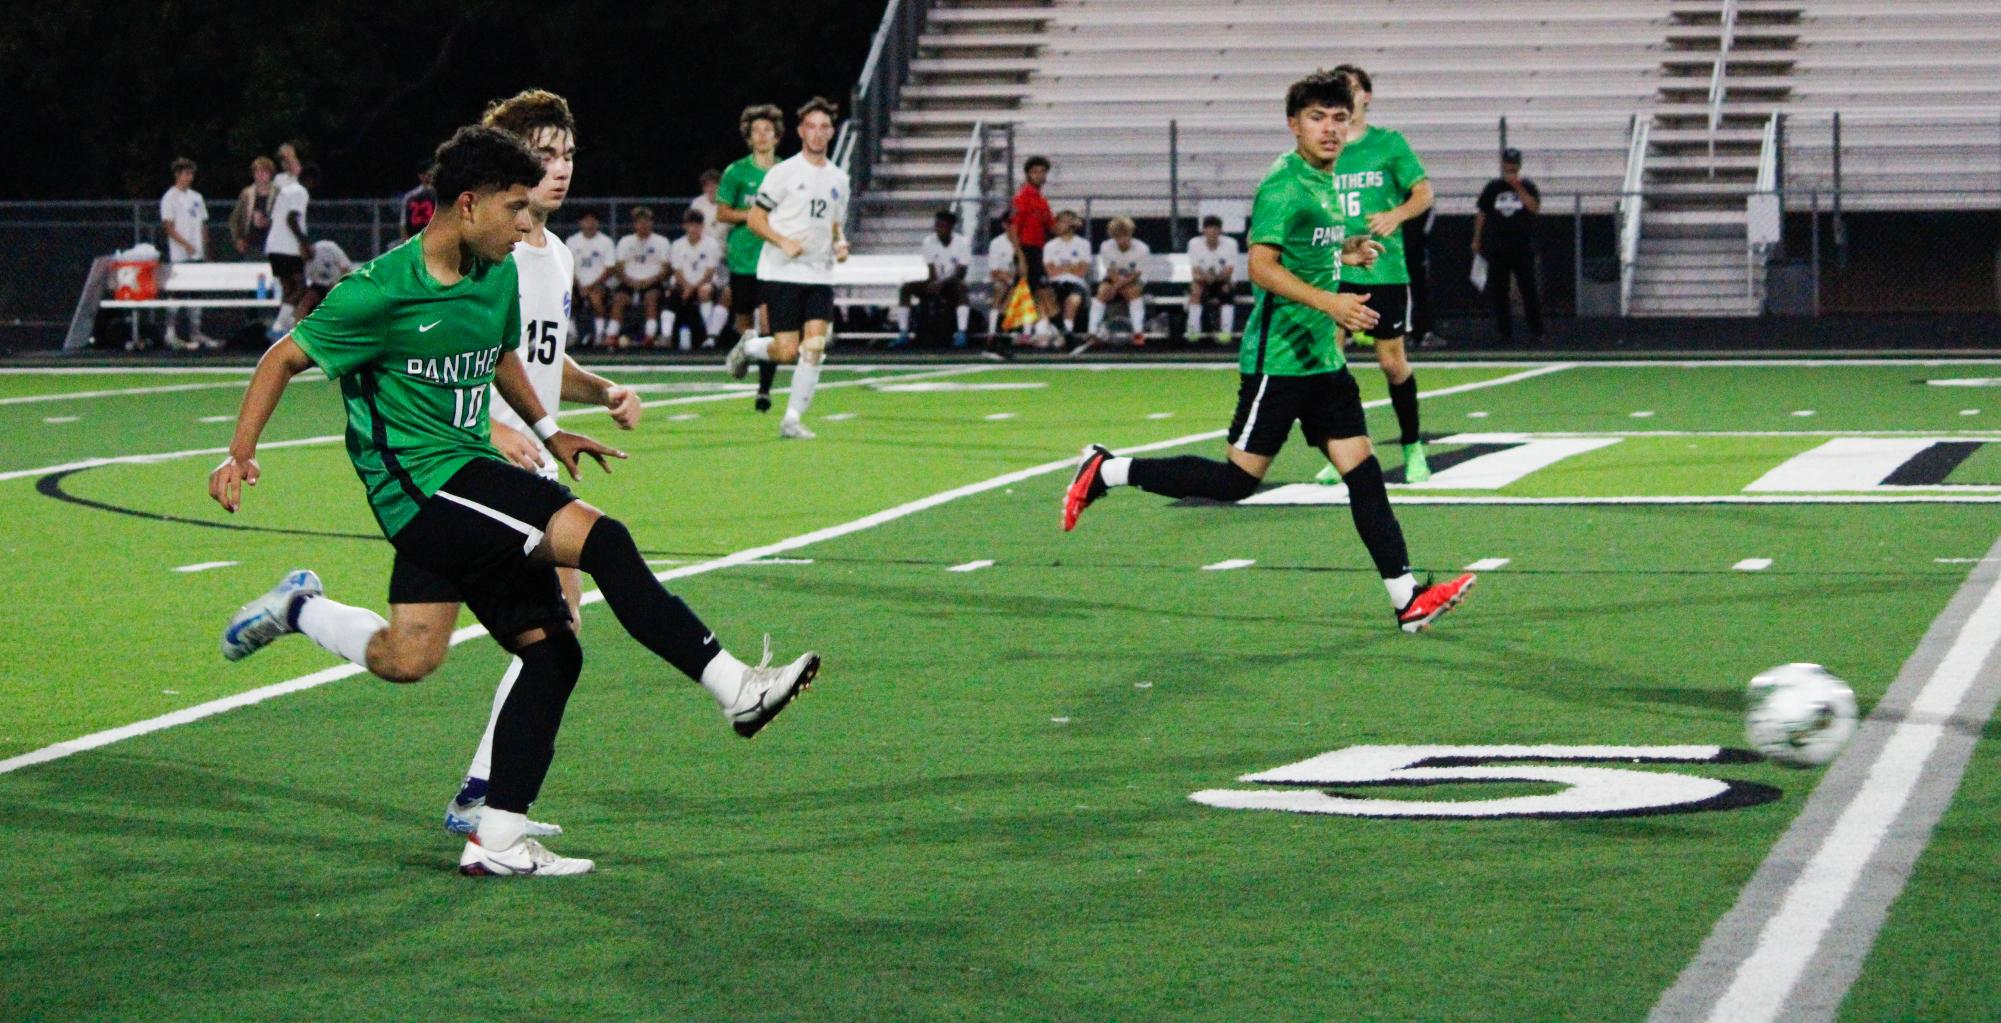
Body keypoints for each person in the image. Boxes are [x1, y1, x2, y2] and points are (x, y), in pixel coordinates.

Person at [211, 124, 820, 879]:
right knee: (605, 540)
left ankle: (484, 824)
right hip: (423, 493)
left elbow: (500, 356)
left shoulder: (495, 269)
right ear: (468, 205)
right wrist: (241, 451)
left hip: (464, 482)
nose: (530, 226)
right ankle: (734, 687)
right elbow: (285, 355)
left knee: (456, 655)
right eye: (517, 210)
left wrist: (547, 428)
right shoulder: (377, 290)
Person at [1061, 69, 1476, 635]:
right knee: (1237, 482)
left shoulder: (1327, 178)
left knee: (1364, 474)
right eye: (1316, 118)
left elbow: (1310, 245)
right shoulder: (1284, 183)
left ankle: (1407, 601)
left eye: (1338, 117)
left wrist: (1345, 253)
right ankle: (1108, 471)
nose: (1330, 129)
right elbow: (1260, 266)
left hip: (1320, 363)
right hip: (1278, 360)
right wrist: (1332, 302)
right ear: (1293, 125)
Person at [441, 89, 649, 840]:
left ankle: (481, 791)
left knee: (530, 631)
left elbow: (539, 359)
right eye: (543, 154)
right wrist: (487, 429)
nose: (559, 170)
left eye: (567, 155)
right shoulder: (481, 252)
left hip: (530, 464)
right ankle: (484, 798)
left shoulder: (555, 253)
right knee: (536, 633)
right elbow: (448, 349)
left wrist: (601, 389)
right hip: (470, 466)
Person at [1324, 63, 1436, 482]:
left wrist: (1396, 214)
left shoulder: (1389, 143)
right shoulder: (1325, 148)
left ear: (1366, 96)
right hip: (1336, 269)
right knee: (1330, 361)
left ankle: (1412, 445)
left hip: (1383, 270)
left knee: (1391, 363)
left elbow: (1424, 192)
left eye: (1350, 89)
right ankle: (1343, 452)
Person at [725, 97, 849, 440]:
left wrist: (840, 243)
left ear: (832, 132)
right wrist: (783, 241)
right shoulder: (784, 173)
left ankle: (792, 419)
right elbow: (755, 218)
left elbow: (837, 223)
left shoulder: (840, 178)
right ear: (800, 131)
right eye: (811, 126)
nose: (818, 133)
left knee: (815, 347)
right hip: (782, 272)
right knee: (785, 351)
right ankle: (749, 347)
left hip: (820, 274)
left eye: (824, 127)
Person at [715, 104, 784, 412]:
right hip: (743, 258)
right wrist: (754, 215)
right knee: (747, 328)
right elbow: (723, 212)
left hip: (774, 259)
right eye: (756, 130)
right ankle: (745, 352)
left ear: (777, 136)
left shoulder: (786, 171)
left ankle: (764, 390)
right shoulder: (736, 171)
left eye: (767, 130)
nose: (762, 136)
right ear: (748, 136)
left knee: (770, 324)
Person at [1474, 147, 1543, 345]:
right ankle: (1504, 332)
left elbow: (1534, 207)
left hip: (1522, 246)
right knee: (1500, 292)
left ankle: (1536, 331)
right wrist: (1477, 239)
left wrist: (1519, 188)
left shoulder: (1528, 186)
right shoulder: (1493, 188)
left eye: (1514, 164)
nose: (1511, 168)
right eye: (1508, 164)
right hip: (1498, 246)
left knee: (1528, 289)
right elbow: (1482, 213)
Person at [159, 157, 216, 350]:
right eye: (185, 173)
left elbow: (203, 224)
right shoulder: (170, 197)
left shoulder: (196, 197)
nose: (189, 177)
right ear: (177, 175)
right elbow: (168, 226)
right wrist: (185, 244)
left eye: (191, 174)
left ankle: (195, 331)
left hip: (197, 254)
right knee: (179, 291)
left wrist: (204, 249)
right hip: (180, 255)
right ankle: (170, 331)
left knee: (197, 291)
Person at [896, 209, 972, 347]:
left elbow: (961, 273)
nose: (938, 229)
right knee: (905, 288)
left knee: (962, 288)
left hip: (952, 283)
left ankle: (961, 333)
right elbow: (931, 271)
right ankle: (903, 333)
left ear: (950, 227)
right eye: (936, 225)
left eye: (941, 225)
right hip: (935, 282)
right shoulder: (928, 241)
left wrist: (941, 284)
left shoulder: (963, 242)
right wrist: (934, 284)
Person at [1007, 156, 1061, 344]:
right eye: (1035, 172)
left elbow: (1052, 227)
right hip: (1025, 249)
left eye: (1042, 172)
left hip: (1038, 251)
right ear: (1028, 174)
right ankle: (1024, 332)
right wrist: (1020, 256)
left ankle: (1032, 330)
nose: (1039, 175)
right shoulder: (1022, 197)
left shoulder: (1041, 200)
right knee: (1027, 290)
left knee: (1037, 290)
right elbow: (1013, 228)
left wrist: (1069, 222)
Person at [264, 162, 316, 341]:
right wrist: (305, 244)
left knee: (288, 288)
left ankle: (284, 329)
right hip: (287, 247)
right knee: (300, 287)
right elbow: (291, 219)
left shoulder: (286, 190)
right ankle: (278, 327)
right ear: (310, 180)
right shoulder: (300, 192)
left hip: (273, 245)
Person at [610, 206, 671, 347]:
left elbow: (666, 269)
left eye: (646, 221)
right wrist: (629, 281)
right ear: (634, 224)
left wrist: (650, 281)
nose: (643, 224)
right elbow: (618, 268)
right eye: (639, 221)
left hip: (653, 282)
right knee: (618, 299)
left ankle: (649, 336)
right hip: (629, 282)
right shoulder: (625, 241)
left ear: (651, 223)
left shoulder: (661, 242)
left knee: (652, 297)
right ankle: (611, 335)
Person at [667, 207, 727, 349]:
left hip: (705, 283)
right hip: (683, 284)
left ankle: (710, 336)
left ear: (702, 226)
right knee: (670, 294)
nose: (694, 229)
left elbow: (710, 272)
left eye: (697, 225)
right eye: (690, 225)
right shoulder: (677, 244)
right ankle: (666, 337)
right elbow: (677, 271)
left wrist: (692, 288)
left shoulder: (711, 244)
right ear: (685, 226)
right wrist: (687, 287)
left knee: (704, 291)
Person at [1089, 216, 1150, 346]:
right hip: (1114, 277)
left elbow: (1137, 273)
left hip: (1133, 279)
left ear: (1130, 234)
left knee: (1132, 293)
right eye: (1117, 236)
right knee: (1102, 292)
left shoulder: (1142, 249)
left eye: (1124, 235)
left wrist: (1117, 287)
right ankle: (1092, 332)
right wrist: (1115, 284)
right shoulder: (1106, 247)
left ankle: (1138, 332)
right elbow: (1110, 270)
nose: (1121, 240)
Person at [565, 209, 617, 346]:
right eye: (586, 220)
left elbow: (609, 268)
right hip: (577, 284)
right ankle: (571, 333)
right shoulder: (572, 241)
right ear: (580, 223)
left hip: (599, 285)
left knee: (596, 298)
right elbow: (567, 266)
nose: (589, 223)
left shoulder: (606, 242)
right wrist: (579, 285)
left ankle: (600, 334)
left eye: (593, 220)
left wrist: (590, 286)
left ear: (597, 222)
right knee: (565, 298)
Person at [1186, 214, 1240, 344]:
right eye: (1209, 229)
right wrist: (1206, 278)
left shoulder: (1231, 244)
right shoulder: (1194, 244)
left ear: (1220, 231)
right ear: (1204, 230)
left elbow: (1229, 270)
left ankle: (1226, 333)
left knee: (1227, 291)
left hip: (1223, 280)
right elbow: (1195, 270)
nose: (1212, 232)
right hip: (1203, 280)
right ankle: (1193, 331)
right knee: (1195, 290)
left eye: (1215, 229)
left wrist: (1215, 278)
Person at [1042, 210, 1091, 337]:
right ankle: (1043, 334)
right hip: (1055, 283)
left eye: (1063, 221)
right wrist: (1071, 267)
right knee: (1044, 300)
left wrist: (1061, 268)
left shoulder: (1083, 244)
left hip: (1075, 283)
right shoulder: (1049, 246)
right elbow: (1050, 272)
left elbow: (1082, 271)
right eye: (1059, 221)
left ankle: (1067, 334)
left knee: (1072, 301)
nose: (1059, 224)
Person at [228, 156, 276, 256]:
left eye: (264, 172)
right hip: (251, 245)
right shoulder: (247, 193)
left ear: (270, 174)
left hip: (273, 244)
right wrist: (238, 239)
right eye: (257, 172)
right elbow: (234, 219)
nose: (260, 175)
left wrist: (268, 222)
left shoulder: (278, 193)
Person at [296, 238, 352, 320]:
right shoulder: (305, 264)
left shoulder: (327, 247)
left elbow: (346, 268)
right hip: (320, 285)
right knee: (305, 302)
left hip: (340, 281)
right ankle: (298, 329)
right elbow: (313, 282)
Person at [984, 211, 1015, 339]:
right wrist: (1009, 279)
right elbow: (994, 271)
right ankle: (993, 332)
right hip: (1003, 279)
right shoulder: (996, 243)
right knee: (1000, 289)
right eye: (1011, 223)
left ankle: (999, 330)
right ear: (1004, 225)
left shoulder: (1026, 241)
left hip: (1021, 279)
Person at [399, 163, 438, 242]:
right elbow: (404, 224)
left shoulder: (410, 196)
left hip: (431, 238)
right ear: (420, 175)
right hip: (421, 237)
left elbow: (403, 224)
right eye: (428, 174)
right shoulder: (410, 197)